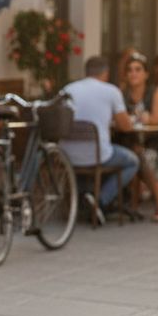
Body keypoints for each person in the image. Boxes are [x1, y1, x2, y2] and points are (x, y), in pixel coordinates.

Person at [60, 55, 139, 222]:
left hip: (66, 154)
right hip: (98, 155)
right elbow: (126, 126)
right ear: (106, 73)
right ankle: (100, 201)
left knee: (93, 155)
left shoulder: (68, 89)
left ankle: (84, 198)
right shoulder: (111, 91)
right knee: (132, 161)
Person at [122, 51, 158, 222]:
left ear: (146, 74)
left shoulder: (156, 91)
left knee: (147, 156)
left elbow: (156, 120)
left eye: (138, 70)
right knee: (129, 153)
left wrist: (145, 118)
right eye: (130, 70)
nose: (133, 73)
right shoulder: (123, 94)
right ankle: (130, 203)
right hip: (133, 139)